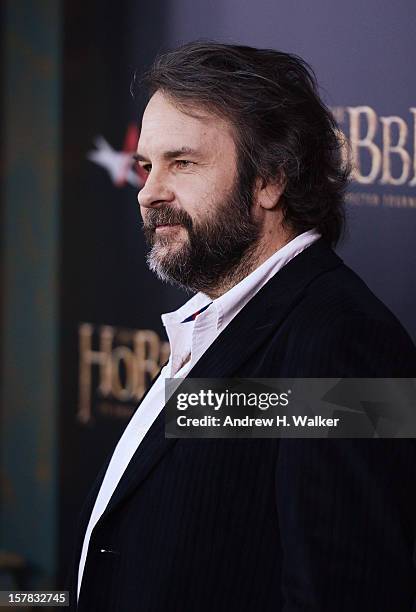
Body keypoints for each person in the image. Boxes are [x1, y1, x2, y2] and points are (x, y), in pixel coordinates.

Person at [68, 41, 416, 611]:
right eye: (146, 165)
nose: (150, 191)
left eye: (182, 163)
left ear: (270, 181)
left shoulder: (342, 343)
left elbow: (345, 593)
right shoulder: (223, 318)